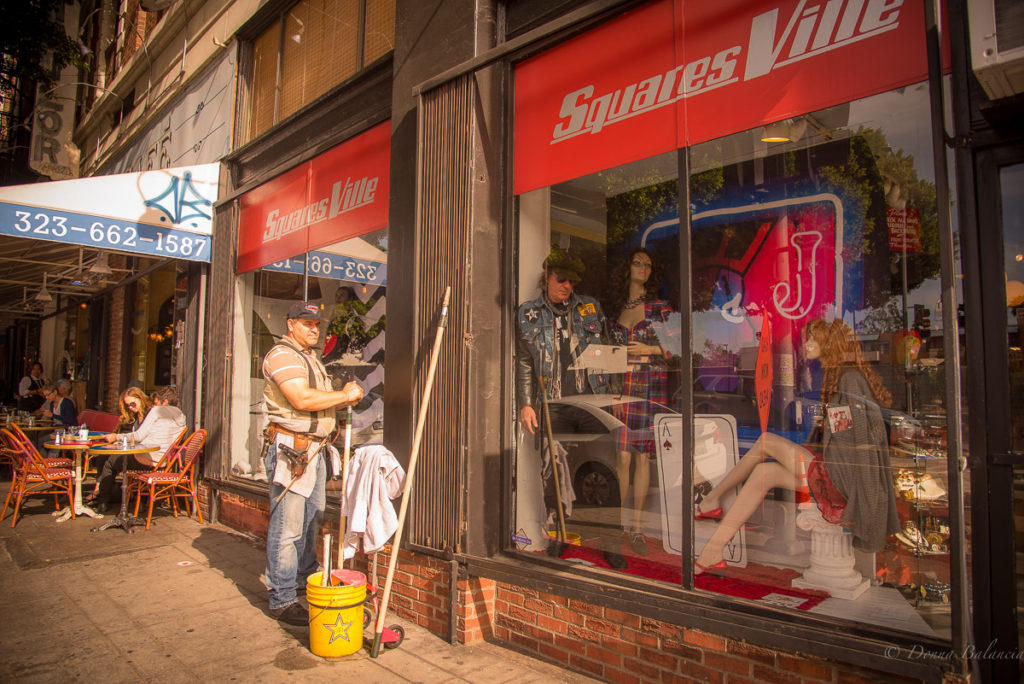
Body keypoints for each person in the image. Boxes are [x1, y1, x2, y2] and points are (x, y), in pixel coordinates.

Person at [694, 318, 899, 574]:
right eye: (807, 337)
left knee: (766, 442)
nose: (807, 343)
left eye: (814, 338)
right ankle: (713, 551)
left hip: (842, 478)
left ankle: (711, 499)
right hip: (837, 472)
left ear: (831, 343)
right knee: (762, 474)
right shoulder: (837, 377)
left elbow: (853, 445)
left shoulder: (849, 379)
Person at [262, 301, 363, 626]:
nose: (314, 329)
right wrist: (344, 396)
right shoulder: (282, 355)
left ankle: (304, 580)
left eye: (317, 324)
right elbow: (301, 399)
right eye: (307, 323)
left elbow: (318, 401)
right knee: (288, 527)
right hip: (292, 450)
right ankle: (282, 597)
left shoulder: (310, 358)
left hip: (314, 450)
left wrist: (340, 401)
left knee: (311, 521)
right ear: (290, 324)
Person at [516, 249, 613, 561]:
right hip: (551, 403)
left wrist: (614, 397)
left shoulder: (590, 308)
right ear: (547, 278)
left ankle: (609, 544)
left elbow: (608, 354)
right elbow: (525, 363)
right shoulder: (528, 313)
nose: (567, 285)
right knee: (553, 475)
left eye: (572, 280)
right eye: (561, 278)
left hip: (591, 400)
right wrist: (525, 404)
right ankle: (558, 538)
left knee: (601, 469)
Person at [608, 248, 674, 557]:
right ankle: (618, 526)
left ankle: (637, 530)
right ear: (628, 267)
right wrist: (613, 393)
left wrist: (647, 350)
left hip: (649, 388)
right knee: (622, 458)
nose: (643, 268)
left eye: (648, 264)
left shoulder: (660, 309)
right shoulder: (616, 310)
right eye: (637, 262)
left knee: (642, 458)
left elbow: (679, 348)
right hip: (622, 390)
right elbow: (606, 356)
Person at [88, 385, 187, 511]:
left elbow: (139, 436)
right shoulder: (181, 416)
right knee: (110, 459)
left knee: (110, 463)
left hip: (148, 458)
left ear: (165, 402)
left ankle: (102, 502)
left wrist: (116, 437)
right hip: (164, 461)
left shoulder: (157, 411)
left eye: (156, 403)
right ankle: (106, 496)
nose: (154, 405)